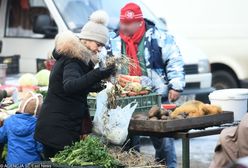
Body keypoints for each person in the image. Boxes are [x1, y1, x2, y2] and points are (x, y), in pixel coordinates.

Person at [109, 3, 185, 168]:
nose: (125, 27)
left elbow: (175, 59)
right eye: (123, 23)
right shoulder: (113, 39)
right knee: (128, 139)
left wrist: (176, 86)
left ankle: (167, 166)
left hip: (155, 96)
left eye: (129, 24)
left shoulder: (159, 37)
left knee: (163, 140)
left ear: (139, 22)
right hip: (125, 98)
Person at [34, 10, 116, 160]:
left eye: (102, 46)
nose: (99, 49)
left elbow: (80, 85)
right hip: (57, 129)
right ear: (87, 39)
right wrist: (98, 73)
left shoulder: (79, 58)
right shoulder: (73, 59)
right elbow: (71, 86)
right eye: (98, 44)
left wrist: (102, 84)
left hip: (59, 126)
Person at [0, 92, 43, 165]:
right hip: (33, 164)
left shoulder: (9, 121)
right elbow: (40, 148)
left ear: (21, 106)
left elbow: (1, 137)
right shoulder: (38, 126)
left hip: (12, 164)